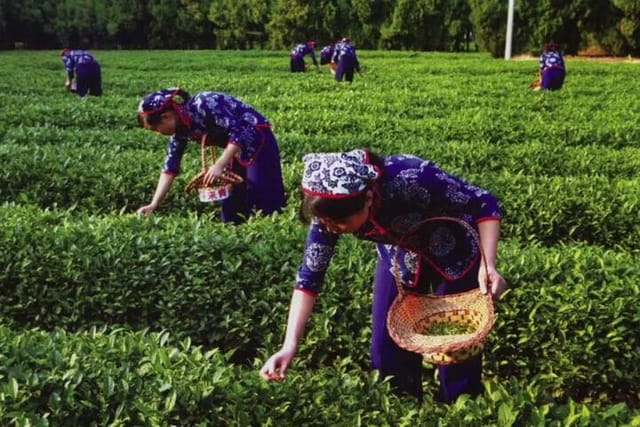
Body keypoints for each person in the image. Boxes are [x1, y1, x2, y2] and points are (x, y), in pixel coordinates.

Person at [260, 148, 508, 403]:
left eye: (340, 223)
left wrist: (488, 265)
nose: (333, 229)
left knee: (457, 343)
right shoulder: (330, 210)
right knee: (387, 346)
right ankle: (401, 406)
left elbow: (483, 202)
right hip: (400, 254)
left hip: (453, 247)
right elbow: (309, 278)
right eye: (328, 222)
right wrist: (289, 345)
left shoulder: (412, 177)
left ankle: (461, 407)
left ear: (368, 199)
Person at [136, 87, 286, 224]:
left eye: (156, 129)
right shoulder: (180, 130)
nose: (158, 134)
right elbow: (170, 168)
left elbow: (239, 131)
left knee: (262, 197)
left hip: (258, 139)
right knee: (232, 201)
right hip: (234, 150)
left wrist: (219, 165)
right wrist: (154, 204)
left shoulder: (204, 103)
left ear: (166, 116)